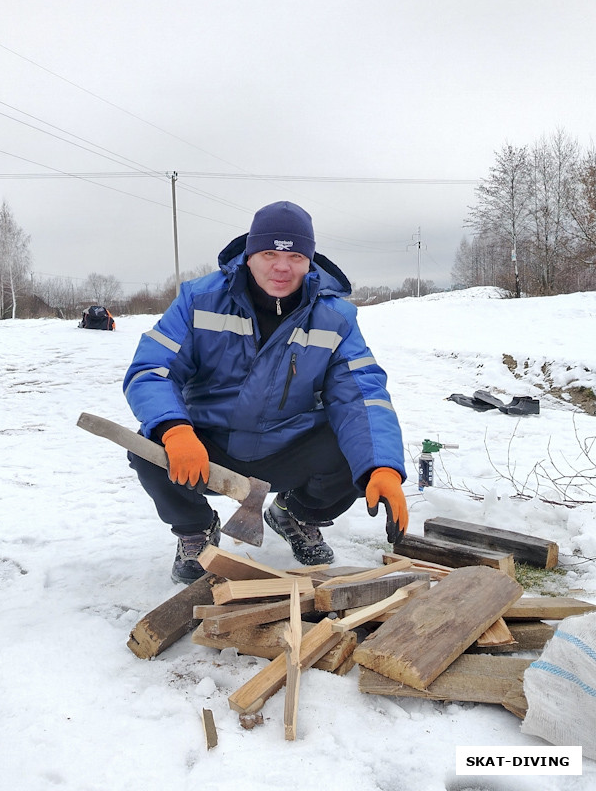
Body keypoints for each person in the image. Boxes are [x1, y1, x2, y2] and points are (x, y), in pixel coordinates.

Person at [123, 201, 408, 583]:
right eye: (269, 253)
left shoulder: (335, 317)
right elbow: (152, 369)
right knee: (149, 448)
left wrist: (383, 466)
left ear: (310, 260)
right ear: (249, 254)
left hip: (287, 446)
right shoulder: (198, 300)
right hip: (209, 446)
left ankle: (294, 514)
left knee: (356, 452)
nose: (281, 266)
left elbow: (362, 395)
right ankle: (195, 529)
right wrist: (175, 429)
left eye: (294, 255)